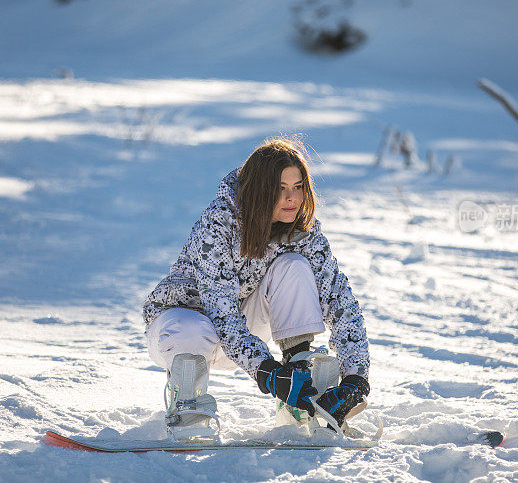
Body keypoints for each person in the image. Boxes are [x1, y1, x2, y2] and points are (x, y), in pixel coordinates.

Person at [142, 137, 370, 438]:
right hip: (179, 331)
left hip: (243, 333)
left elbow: (341, 303)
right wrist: (266, 371)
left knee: (294, 266)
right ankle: (187, 404)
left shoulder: (303, 232)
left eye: (298, 186)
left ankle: (299, 392)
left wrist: (356, 379)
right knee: (192, 328)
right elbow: (221, 314)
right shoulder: (218, 225)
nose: (292, 198)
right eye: (281, 188)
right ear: (261, 190)